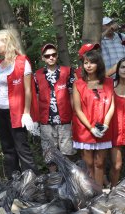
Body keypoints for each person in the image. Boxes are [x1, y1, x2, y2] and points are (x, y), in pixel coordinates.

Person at [0, 29, 39, 179]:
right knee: (8, 150)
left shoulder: (22, 62)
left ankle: (32, 184)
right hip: (1, 112)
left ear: (6, 42)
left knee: (22, 149)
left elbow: (28, 90)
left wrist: (27, 113)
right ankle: (14, 183)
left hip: (17, 114)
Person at [72, 49, 114, 188]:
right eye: (86, 63)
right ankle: (92, 192)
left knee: (100, 163)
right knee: (89, 163)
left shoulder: (108, 82)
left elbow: (112, 105)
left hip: (103, 127)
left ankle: (99, 193)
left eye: (92, 63)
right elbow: (77, 109)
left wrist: (106, 124)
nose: (88, 66)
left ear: (99, 64)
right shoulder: (78, 84)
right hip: (85, 128)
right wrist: (91, 128)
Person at [34, 43, 76, 172]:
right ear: (43, 58)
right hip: (46, 120)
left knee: (67, 151)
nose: (51, 57)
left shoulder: (68, 72)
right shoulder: (37, 75)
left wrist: (75, 117)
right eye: (47, 56)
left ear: (57, 56)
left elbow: (73, 94)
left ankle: (68, 178)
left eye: (53, 54)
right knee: (49, 152)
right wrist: (35, 119)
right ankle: (54, 178)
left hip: (65, 118)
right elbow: (35, 97)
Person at [109, 57, 125, 187]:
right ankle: (113, 192)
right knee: (116, 165)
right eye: (123, 67)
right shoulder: (110, 85)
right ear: (117, 69)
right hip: (115, 130)